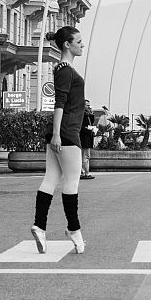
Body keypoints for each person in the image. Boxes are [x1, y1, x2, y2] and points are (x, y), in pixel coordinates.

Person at [31, 26, 86, 254]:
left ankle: (40, 226)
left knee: (51, 178)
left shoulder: (64, 68)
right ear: (67, 44)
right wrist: (56, 134)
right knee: (72, 181)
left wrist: (55, 134)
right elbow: (59, 103)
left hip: (60, 132)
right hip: (67, 133)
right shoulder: (65, 70)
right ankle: (73, 229)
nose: (82, 45)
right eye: (79, 41)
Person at [79, 100, 96, 180]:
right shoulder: (81, 115)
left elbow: (91, 123)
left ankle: (86, 172)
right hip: (84, 139)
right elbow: (82, 128)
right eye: (87, 105)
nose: (89, 107)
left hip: (88, 139)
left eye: (89, 105)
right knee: (85, 157)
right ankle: (83, 172)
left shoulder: (88, 115)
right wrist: (90, 130)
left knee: (87, 156)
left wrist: (92, 115)